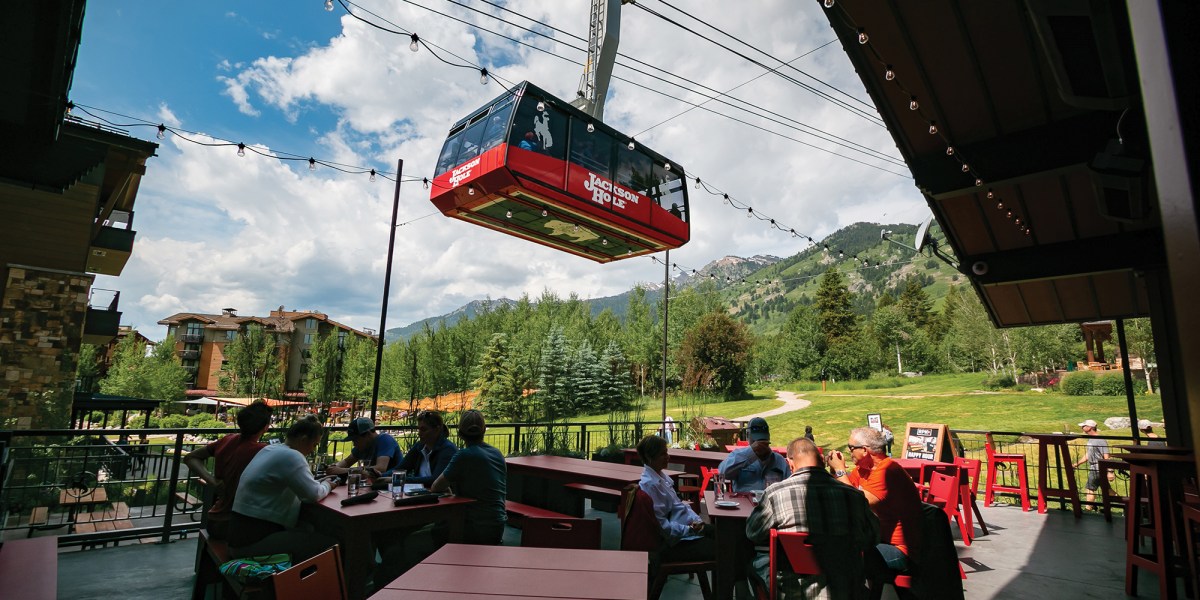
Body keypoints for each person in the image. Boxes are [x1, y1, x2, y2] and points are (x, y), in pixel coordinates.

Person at [746, 438, 879, 599]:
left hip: (792, 590)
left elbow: (753, 532)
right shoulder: (854, 496)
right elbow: (873, 536)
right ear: (822, 461)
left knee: (754, 563)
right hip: (846, 589)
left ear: (790, 463)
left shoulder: (775, 494)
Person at [228, 416, 339, 562]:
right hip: (250, 544)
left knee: (309, 530)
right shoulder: (292, 456)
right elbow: (313, 494)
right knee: (331, 545)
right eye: (314, 445)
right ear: (304, 439)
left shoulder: (270, 449)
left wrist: (319, 483)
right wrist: (329, 485)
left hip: (239, 536)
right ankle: (303, 583)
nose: (312, 451)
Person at [827, 426, 923, 590]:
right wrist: (834, 473)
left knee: (843, 558)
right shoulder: (863, 470)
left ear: (864, 450)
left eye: (851, 448)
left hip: (900, 550)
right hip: (878, 540)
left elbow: (858, 501)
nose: (849, 452)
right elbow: (844, 493)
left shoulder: (887, 471)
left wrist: (841, 471)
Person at [184, 401, 272, 539]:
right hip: (234, 524)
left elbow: (190, 457)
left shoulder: (227, 440)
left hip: (214, 518)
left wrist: (211, 480)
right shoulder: (262, 451)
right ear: (265, 427)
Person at [636, 435, 715, 567]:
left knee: (727, 537)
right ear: (650, 457)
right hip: (676, 543)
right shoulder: (651, 485)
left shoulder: (661, 477)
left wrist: (697, 523)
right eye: (662, 454)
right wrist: (690, 529)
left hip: (688, 530)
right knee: (725, 547)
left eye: (666, 452)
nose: (668, 457)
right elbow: (663, 528)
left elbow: (678, 507)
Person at [430, 410, 507, 545]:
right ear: (484, 430)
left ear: (460, 433)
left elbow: (436, 487)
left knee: (411, 542)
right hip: (497, 525)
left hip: (473, 527)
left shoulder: (464, 455)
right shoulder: (497, 453)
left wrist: (448, 488)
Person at [719, 417, 791, 492]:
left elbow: (790, 486)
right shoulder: (738, 455)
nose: (759, 446)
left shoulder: (779, 461)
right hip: (744, 502)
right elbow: (723, 473)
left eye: (763, 442)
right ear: (747, 437)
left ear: (768, 439)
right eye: (755, 442)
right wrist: (751, 452)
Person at [397, 411, 457, 487]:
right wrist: (380, 475)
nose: (419, 433)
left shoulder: (448, 450)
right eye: (419, 429)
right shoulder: (419, 446)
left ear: (437, 430)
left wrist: (402, 479)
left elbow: (435, 480)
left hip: (438, 496)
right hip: (419, 493)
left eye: (423, 430)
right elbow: (400, 468)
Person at [328, 418, 401, 479]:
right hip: (378, 486)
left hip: (396, 484)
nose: (354, 444)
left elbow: (381, 468)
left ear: (368, 434)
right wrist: (333, 468)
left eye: (356, 439)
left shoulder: (385, 440)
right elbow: (347, 462)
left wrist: (344, 470)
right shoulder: (362, 445)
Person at [1073, 419, 1111, 507]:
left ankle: (1088, 508)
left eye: (1083, 426)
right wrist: (1077, 463)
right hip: (1097, 468)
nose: (1082, 427)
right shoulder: (1091, 439)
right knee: (1107, 490)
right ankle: (1125, 504)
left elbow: (1106, 456)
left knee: (1090, 489)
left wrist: (1110, 471)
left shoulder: (1100, 440)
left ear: (1090, 427)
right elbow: (1088, 454)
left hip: (1097, 468)